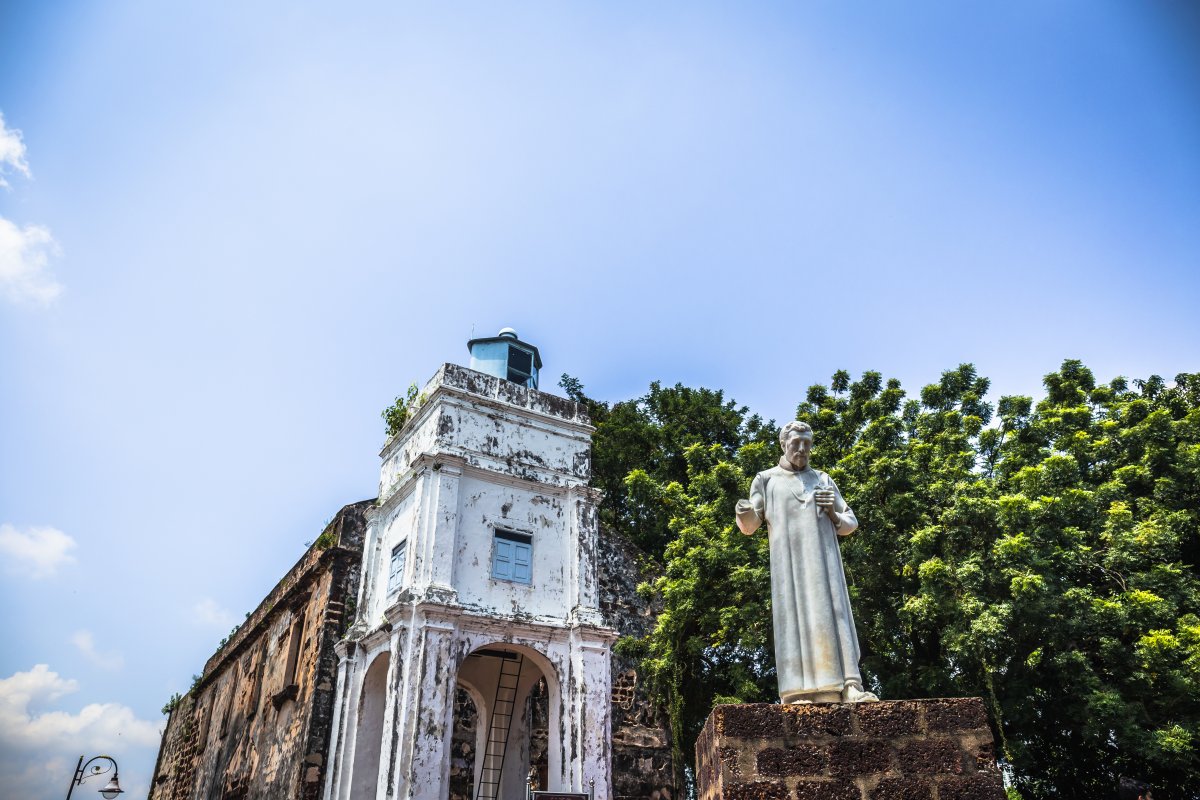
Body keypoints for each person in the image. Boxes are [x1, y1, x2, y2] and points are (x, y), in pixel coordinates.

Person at [735, 421, 878, 704]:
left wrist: (833, 514)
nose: (801, 449)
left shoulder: (822, 479)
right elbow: (751, 524)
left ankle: (849, 686)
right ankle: (797, 692)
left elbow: (850, 522)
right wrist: (744, 511)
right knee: (794, 618)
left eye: (806, 444)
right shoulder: (766, 479)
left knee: (834, 614)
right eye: (795, 444)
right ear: (783, 444)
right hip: (789, 566)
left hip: (824, 563)